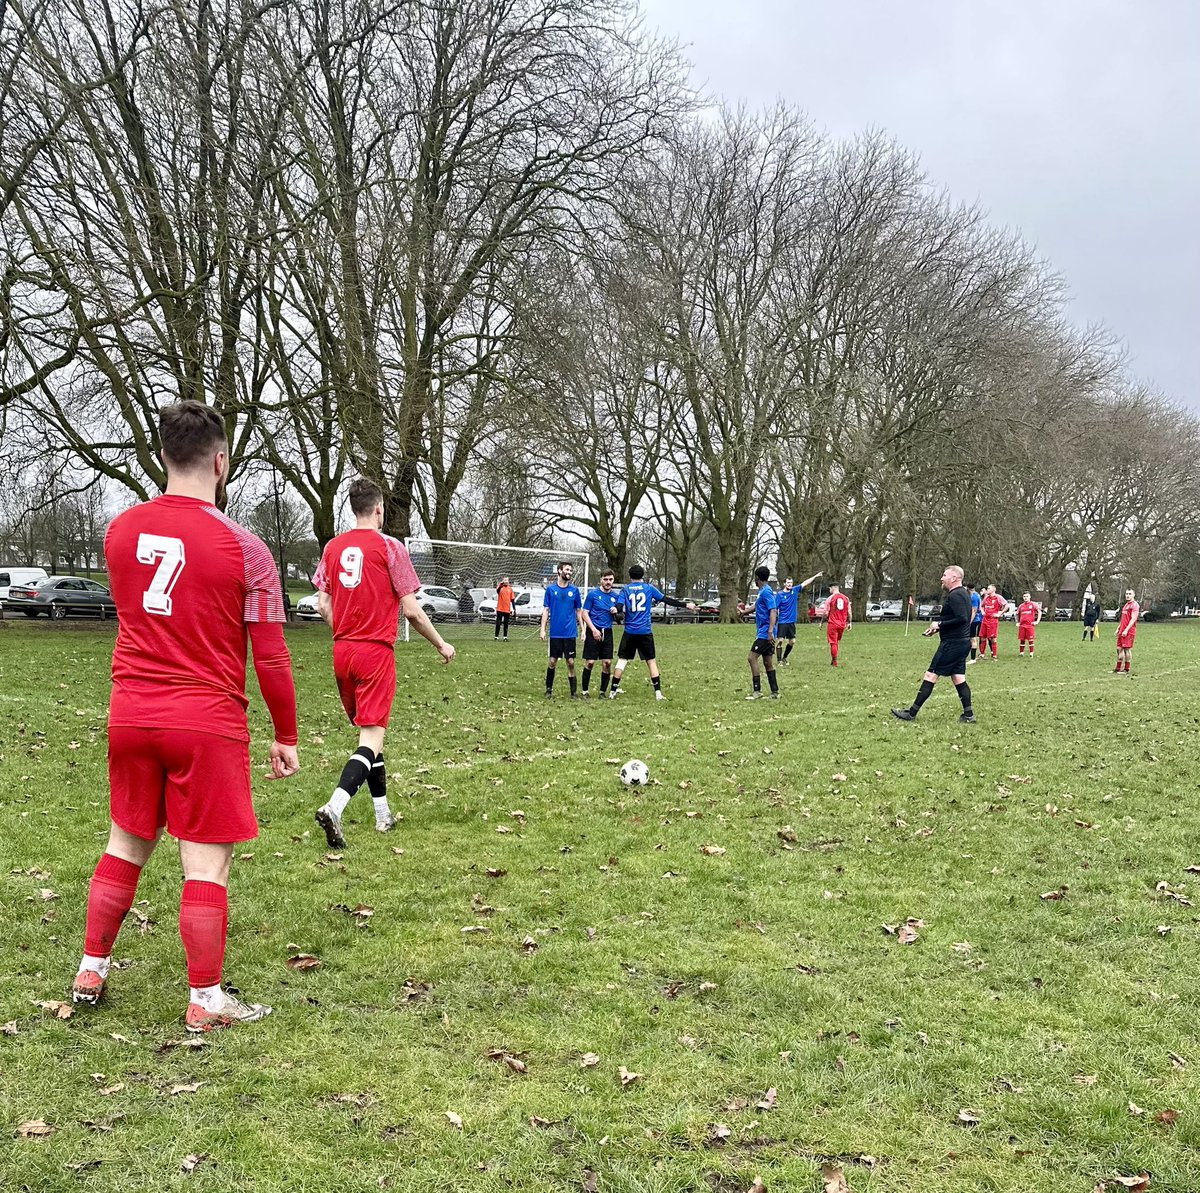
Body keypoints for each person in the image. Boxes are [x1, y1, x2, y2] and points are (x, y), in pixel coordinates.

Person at [71, 401, 300, 1032]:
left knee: (125, 842)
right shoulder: (245, 547)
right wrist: (285, 734)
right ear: (221, 461)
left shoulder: (119, 532)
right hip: (206, 719)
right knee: (207, 864)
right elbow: (272, 656)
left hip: (131, 712)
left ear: (165, 455)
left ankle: (92, 966)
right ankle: (205, 1000)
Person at [312, 479, 455, 849]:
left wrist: (344, 630)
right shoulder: (389, 547)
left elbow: (322, 604)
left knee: (370, 740)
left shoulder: (332, 547)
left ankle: (382, 814)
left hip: (342, 651)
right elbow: (412, 611)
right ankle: (335, 805)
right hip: (375, 652)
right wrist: (441, 644)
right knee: (371, 737)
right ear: (379, 509)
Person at [891, 564, 975, 723]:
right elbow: (958, 618)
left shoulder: (956, 595)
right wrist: (937, 629)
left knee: (931, 674)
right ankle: (969, 715)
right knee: (958, 677)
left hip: (953, 644)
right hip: (962, 643)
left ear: (954, 578)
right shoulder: (963, 594)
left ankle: (911, 713)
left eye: (944, 575)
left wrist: (940, 625)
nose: (941, 578)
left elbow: (962, 618)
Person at [608, 565, 695, 700]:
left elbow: (619, 607)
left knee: (623, 660)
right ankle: (658, 693)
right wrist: (686, 605)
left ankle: (612, 691)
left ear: (630, 576)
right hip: (645, 631)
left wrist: (615, 609)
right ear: (642, 575)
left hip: (630, 631)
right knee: (651, 661)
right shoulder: (649, 588)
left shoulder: (625, 590)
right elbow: (666, 600)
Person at [540, 560, 583, 697]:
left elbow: (578, 611)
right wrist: (542, 629)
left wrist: (583, 629)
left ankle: (573, 692)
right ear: (559, 571)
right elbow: (546, 610)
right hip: (555, 633)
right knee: (552, 661)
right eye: (567, 569)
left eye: (571, 570)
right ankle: (548, 690)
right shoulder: (551, 590)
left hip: (570, 633)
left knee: (570, 662)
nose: (569, 572)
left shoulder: (574, 591)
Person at [581, 569, 620, 697]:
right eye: (606, 579)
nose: (608, 582)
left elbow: (621, 617)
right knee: (590, 662)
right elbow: (584, 613)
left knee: (607, 663)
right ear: (601, 580)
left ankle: (602, 692)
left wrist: (617, 613)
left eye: (610, 580)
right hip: (593, 630)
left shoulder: (616, 597)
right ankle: (585, 691)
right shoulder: (593, 595)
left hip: (607, 632)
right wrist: (593, 630)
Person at [746, 565, 781, 699]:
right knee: (767, 662)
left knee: (751, 657)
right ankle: (775, 692)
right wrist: (744, 612)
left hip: (765, 632)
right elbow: (757, 606)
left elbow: (773, 610)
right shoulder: (763, 591)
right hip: (763, 631)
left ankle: (757, 691)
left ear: (757, 578)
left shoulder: (766, 592)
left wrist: (770, 631)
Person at [775, 571, 823, 664]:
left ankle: (784, 657)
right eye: (788, 583)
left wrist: (815, 576)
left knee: (792, 641)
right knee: (780, 641)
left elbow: (805, 583)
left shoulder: (795, 590)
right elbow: (775, 608)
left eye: (791, 583)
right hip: (782, 621)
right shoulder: (779, 595)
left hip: (791, 622)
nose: (790, 584)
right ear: (784, 583)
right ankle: (779, 660)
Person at [823, 582, 852, 666]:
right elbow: (849, 612)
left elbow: (826, 612)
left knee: (833, 642)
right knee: (836, 641)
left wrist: (821, 622)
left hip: (832, 623)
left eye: (829, 589)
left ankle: (834, 661)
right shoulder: (846, 598)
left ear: (832, 588)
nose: (829, 590)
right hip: (842, 624)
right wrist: (849, 622)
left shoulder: (830, 598)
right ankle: (833, 659)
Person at [978, 584, 1008, 660]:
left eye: (988, 588)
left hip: (993, 620)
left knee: (993, 638)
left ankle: (994, 655)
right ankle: (982, 654)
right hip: (985, 620)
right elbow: (981, 606)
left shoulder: (998, 597)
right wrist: (982, 611)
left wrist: (1000, 613)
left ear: (993, 590)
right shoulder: (986, 598)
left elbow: (1006, 605)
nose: (987, 590)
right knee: (982, 638)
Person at [1115, 588, 1139, 673]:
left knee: (1126, 649)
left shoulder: (1134, 605)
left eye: (1129, 594)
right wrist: (1119, 628)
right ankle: (1118, 668)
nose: (1128, 595)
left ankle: (1126, 669)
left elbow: (1133, 618)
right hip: (1122, 630)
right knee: (1119, 648)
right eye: (1126, 594)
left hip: (1128, 631)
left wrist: (1126, 630)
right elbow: (1123, 619)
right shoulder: (1126, 605)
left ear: (1133, 595)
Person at [1016, 591, 1041, 656]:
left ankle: (1031, 653)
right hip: (1022, 625)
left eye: (1027, 596)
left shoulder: (1033, 604)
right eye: (1024, 596)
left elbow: (1039, 612)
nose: (1025, 598)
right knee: (1022, 639)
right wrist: (1017, 622)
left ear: (1030, 597)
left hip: (1030, 625)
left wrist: (1037, 621)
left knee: (1030, 639)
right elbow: (1017, 614)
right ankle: (1021, 653)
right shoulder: (1021, 606)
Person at [967, 582, 983, 663]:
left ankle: (973, 659)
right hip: (978, 619)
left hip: (975, 620)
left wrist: (969, 622)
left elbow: (974, 610)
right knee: (971, 638)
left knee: (973, 638)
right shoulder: (977, 594)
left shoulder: (973, 597)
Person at [494, 576, 515, 641]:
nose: (506, 581)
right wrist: (501, 583)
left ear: (508, 581)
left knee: (506, 623)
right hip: (500, 608)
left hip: (507, 609)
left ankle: (505, 637)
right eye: (505, 580)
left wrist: (514, 609)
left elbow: (512, 600)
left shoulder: (510, 589)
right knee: (498, 623)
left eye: (507, 580)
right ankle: (496, 637)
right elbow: (497, 590)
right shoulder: (500, 588)